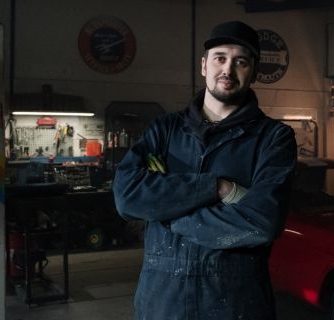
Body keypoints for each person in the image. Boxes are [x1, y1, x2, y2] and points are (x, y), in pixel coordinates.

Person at [113, 20, 297, 320]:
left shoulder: (273, 139)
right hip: (161, 306)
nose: (228, 69)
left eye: (241, 61)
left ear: (253, 72)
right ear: (204, 65)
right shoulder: (165, 129)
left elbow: (261, 223)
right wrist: (217, 187)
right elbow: (126, 196)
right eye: (220, 58)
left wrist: (167, 213)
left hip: (235, 307)